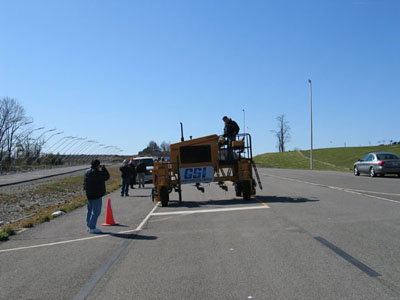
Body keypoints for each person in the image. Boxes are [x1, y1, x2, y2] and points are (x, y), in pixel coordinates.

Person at [83, 159, 110, 234]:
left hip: (89, 194)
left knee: (89, 211)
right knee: (96, 211)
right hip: (96, 194)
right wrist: (104, 169)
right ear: (97, 165)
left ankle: (89, 225)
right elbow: (106, 177)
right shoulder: (97, 173)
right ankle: (92, 227)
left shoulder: (87, 172)